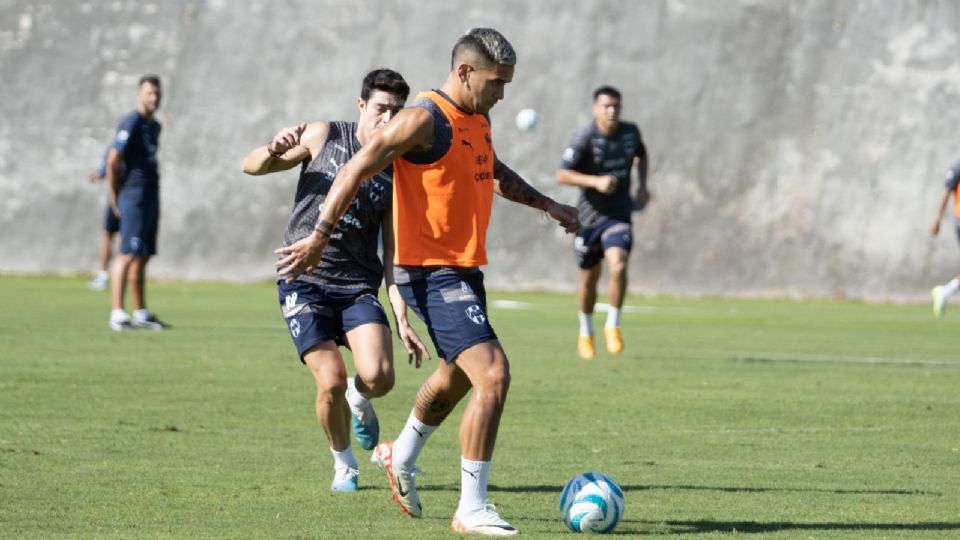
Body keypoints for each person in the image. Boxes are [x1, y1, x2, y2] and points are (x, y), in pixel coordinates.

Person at [275, 28, 579, 536]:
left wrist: (549, 205)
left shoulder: (476, 118)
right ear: (464, 72)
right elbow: (354, 168)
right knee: (494, 375)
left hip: (463, 268)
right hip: (430, 271)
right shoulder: (422, 119)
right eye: (496, 82)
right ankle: (471, 507)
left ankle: (401, 455)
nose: (502, 93)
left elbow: (494, 171)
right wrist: (320, 235)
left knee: (459, 375)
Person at [241, 68, 429, 492]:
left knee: (380, 377)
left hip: (357, 288)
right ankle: (344, 465)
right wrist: (273, 149)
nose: (389, 118)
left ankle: (358, 398)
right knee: (329, 379)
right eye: (382, 108)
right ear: (362, 105)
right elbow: (250, 166)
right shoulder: (323, 135)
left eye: (397, 112)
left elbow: (393, 254)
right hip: (304, 281)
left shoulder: (395, 168)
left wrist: (401, 318)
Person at [555, 85, 649, 359]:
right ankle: (586, 331)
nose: (611, 111)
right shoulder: (584, 137)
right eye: (606, 106)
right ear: (596, 108)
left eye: (616, 106)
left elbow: (642, 155)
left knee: (618, 265)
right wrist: (594, 181)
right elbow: (562, 174)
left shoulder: (630, 133)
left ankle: (613, 325)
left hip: (619, 215)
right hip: (588, 219)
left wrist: (643, 185)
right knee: (589, 278)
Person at [106, 74, 167, 331]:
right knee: (127, 253)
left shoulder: (154, 126)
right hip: (133, 194)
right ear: (138, 95)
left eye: (157, 94)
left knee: (142, 254)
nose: (153, 98)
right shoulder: (130, 122)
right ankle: (117, 312)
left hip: (150, 193)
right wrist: (114, 197)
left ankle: (140, 311)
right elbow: (112, 160)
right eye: (149, 93)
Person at [929, 159, 960, 317]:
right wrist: (937, 220)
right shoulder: (958, 166)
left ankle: (945, 292)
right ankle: (945, 292)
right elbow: (946, 193)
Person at [87, 149, 121, 291]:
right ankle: (106, 276)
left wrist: (95, 175)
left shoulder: (118, 146)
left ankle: (110, 276)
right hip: (124, 199)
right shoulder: (117, 146)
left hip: (120, 199)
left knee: (114, 237)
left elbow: (106, 169)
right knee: (111, 236)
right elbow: (105, 170)